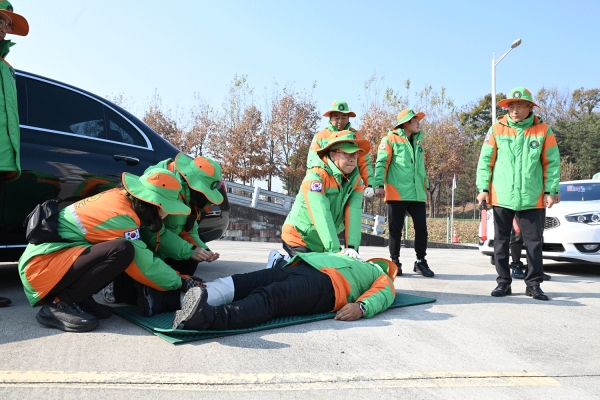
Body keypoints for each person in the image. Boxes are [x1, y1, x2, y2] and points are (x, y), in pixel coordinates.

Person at [18, 169, 203, 332]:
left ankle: (79, 298)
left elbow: (156, 237)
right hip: (40, 267)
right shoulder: (120, 215)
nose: (167, 214)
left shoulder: (124, 201)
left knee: (118, 250)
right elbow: (143, 264)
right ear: (155, 204)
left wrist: (188, 254)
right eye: (167, 208)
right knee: (122, 251)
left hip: (52, 261)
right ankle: (58, 304)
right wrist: (179, 282)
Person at [105, 154, 224, 307]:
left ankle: (161, 290)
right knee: (127, 296)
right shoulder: (161, 182)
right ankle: (117, 285)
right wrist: (188, 253)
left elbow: (190, 230)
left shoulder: (193, 196)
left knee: (192, 256)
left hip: (164, 245)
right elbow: (151, 232)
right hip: (144, 247)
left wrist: (202, 250)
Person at [476, 87, 560, 301]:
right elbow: (486, 161)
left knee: (534, 243)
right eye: (511, 106)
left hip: (532, 197)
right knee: (501, 242)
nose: (514, 110)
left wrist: (551, 190)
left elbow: (551, 163)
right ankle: (503, 283)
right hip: (502, 194)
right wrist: (483, 188)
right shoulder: (496, 129)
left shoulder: (543, 130)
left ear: (530, 107)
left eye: (519, 105)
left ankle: (533, 285)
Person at [172, 252, 398, 331]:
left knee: (272, 297)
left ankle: (208, 318)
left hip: (328, 287)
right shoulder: (350, 257)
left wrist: (361, 307)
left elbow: (382, 295)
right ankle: (170, 300)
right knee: (245, 281)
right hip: (301, 266)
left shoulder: (383, 277)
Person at [278, 130, 370, 262]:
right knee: (305, 276)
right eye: (346, 153)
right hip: (298, 237)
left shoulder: (356, 182)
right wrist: (336, 251)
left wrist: (352, 249)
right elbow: (321, 215)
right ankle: (278, 261)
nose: (352, 158)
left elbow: (354, 215)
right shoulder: (315, 178)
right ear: (332, 155)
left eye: (355, 154)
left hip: (321, 242)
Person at [373, 109, 434, 278]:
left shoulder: (419, 142)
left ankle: (421, 262)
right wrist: (378, 184)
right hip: (397, 192)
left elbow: (422, 169)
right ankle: (395, 262)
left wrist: (426, 188)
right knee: (395, 230)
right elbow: (381, 163)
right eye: (415, 119)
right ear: (406, 122)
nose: (418, 122)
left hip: (417, 193)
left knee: (422, 228)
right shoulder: (390, 139)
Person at [0, 1, 28, 308]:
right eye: (0, 20)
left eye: (7, 23)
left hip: (4, 158)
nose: (4, 27)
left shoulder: (7, 67)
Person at [306, 101, 374, 198]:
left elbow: (364, 163)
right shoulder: (320, 136)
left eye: (344, 117)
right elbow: (311, 163)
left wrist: (369, 184)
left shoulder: (357, 137)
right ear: (330, 118)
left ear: (348, 118)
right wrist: (310, 180)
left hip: (349, 186)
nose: (340, 121)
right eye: (336, 118)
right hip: (325, 183)